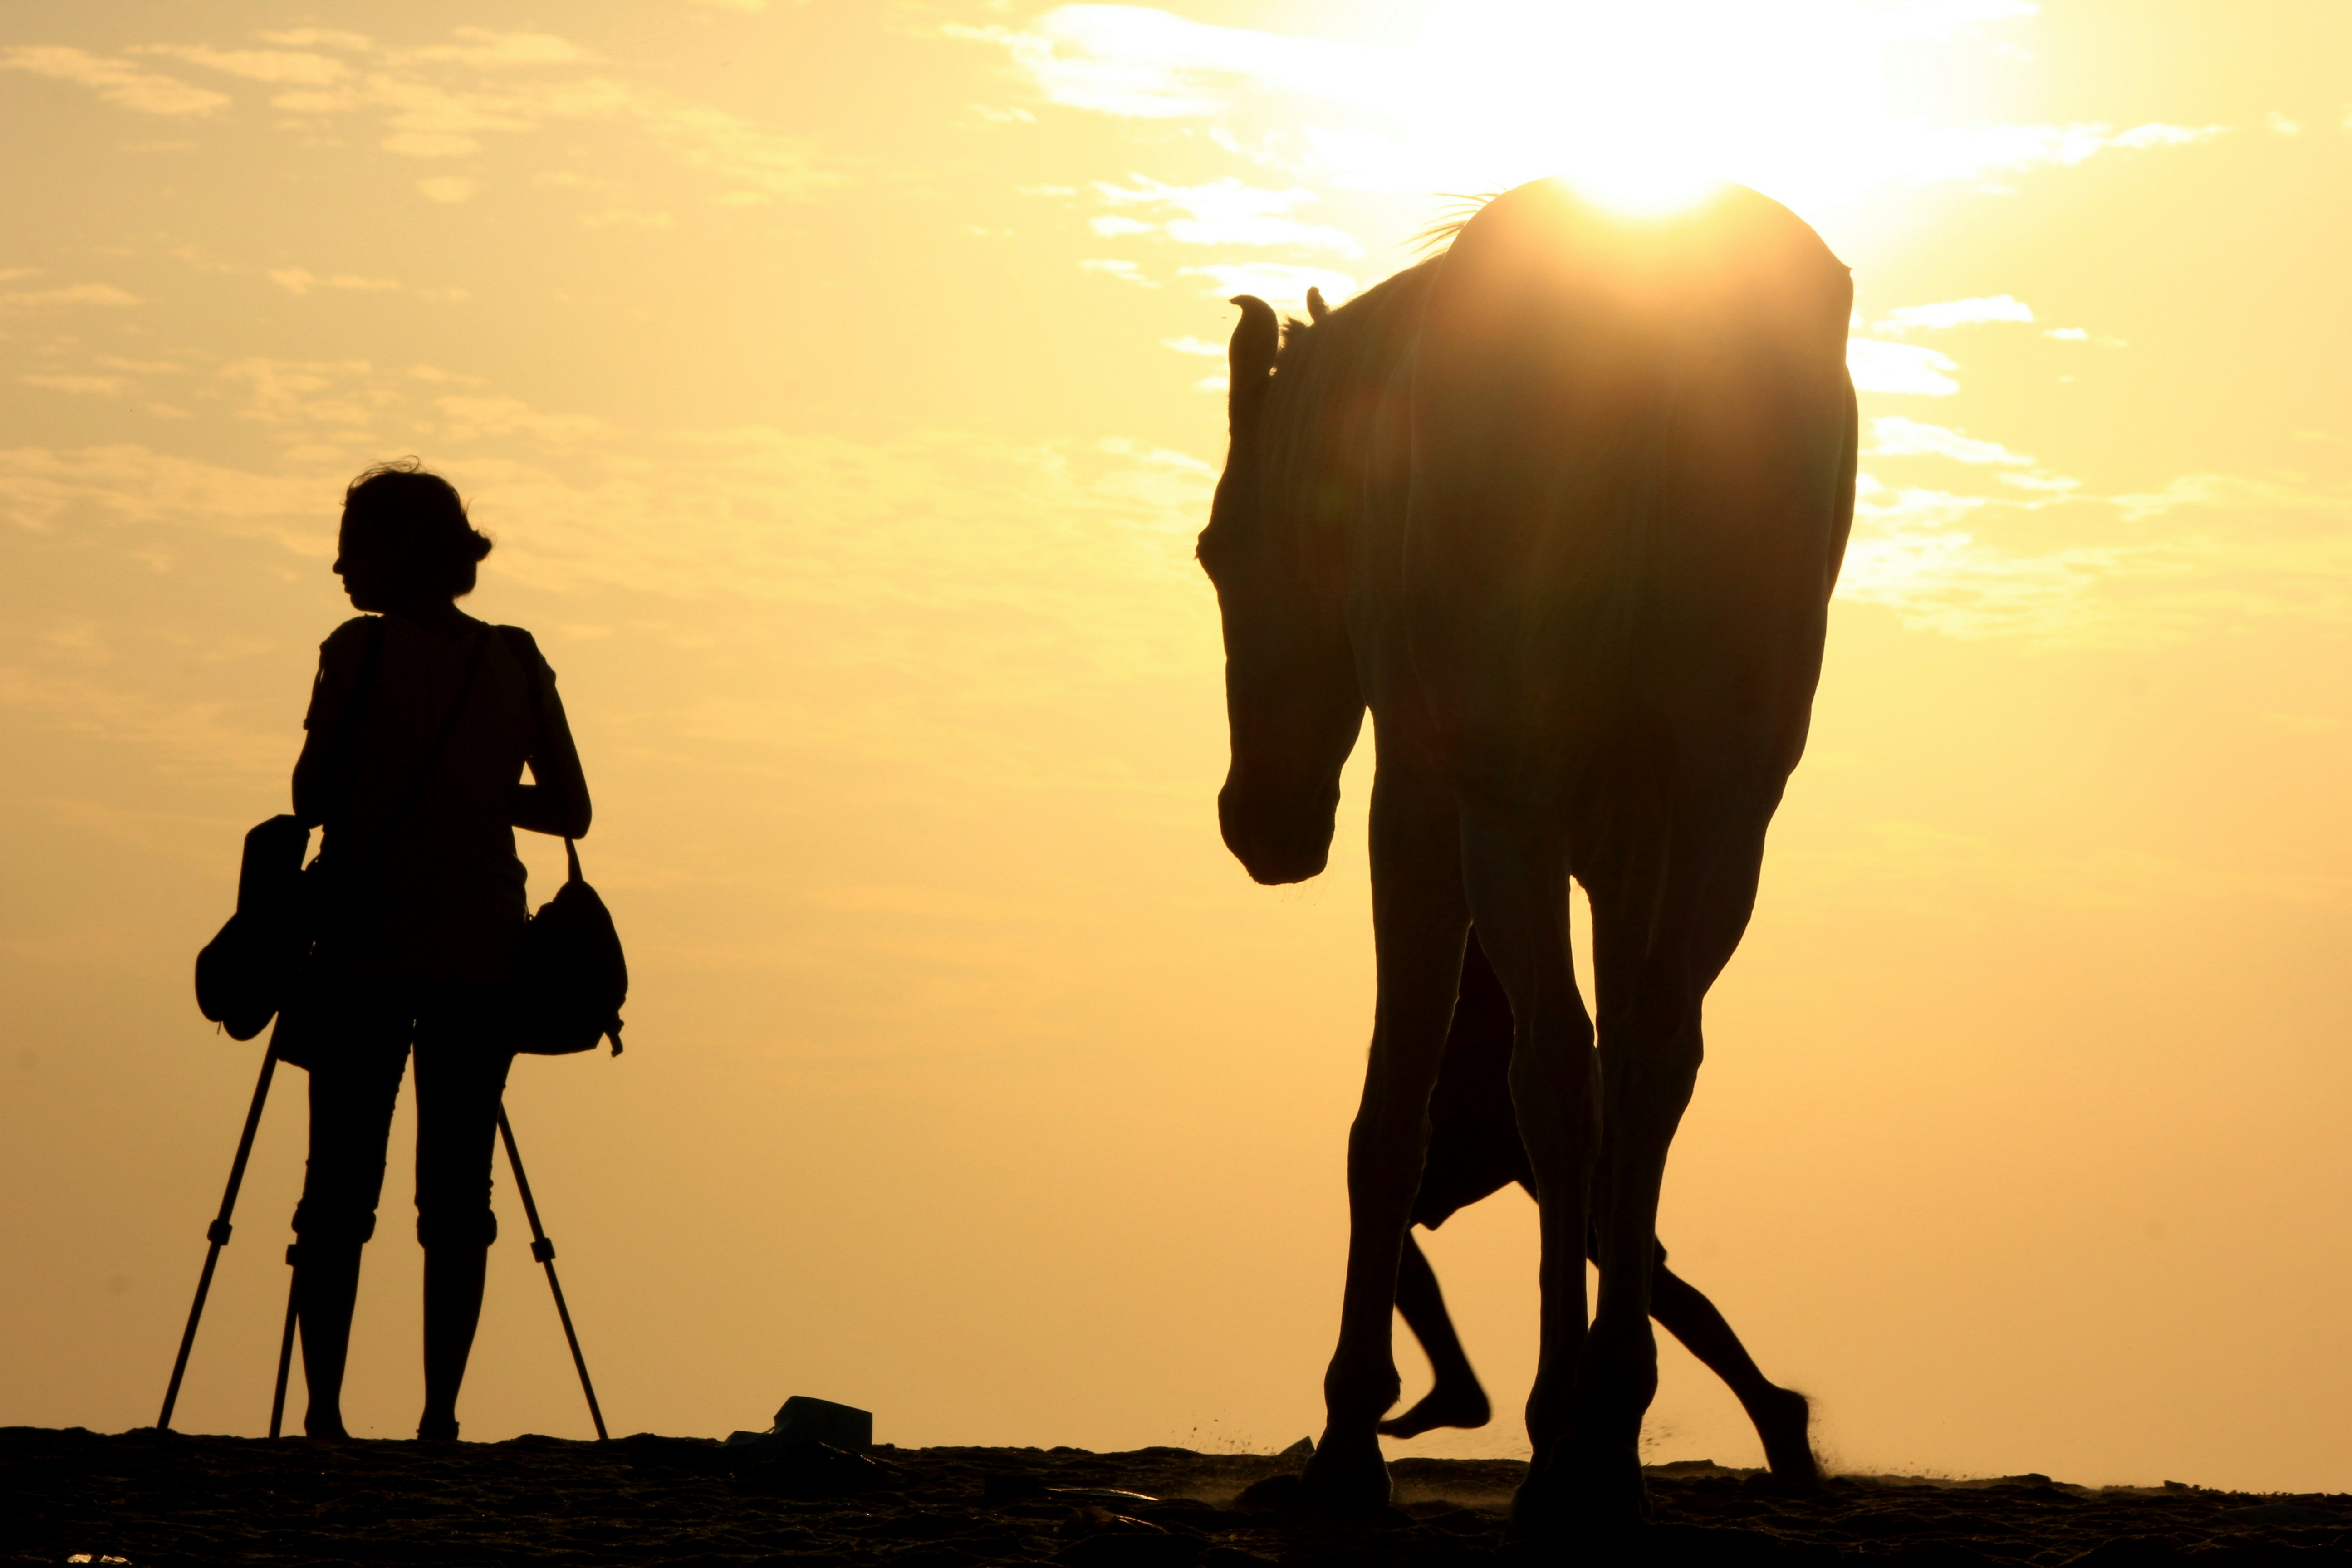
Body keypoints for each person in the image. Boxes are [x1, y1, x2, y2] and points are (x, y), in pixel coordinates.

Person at [283, 459, 591, 1441]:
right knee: (458, 1196)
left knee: (337, 1191)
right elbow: (572, 810)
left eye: (353, 546)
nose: (338, 568)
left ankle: (324, 1411)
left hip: (365, 946)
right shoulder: (516, 657)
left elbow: (313, 799)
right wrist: (475, 790)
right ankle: (441, 1416)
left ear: (391, 555)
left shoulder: (356, 652)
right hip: (486, 951)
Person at [1382, 931, 1819, 1484]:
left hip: (1495, 1088)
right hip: (1516, 1079)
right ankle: (1767, 1404)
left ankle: (1455, 1380)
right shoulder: (1484, 885)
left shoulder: (1468, 883)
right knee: (1632, 1271)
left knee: (1387, 1219)